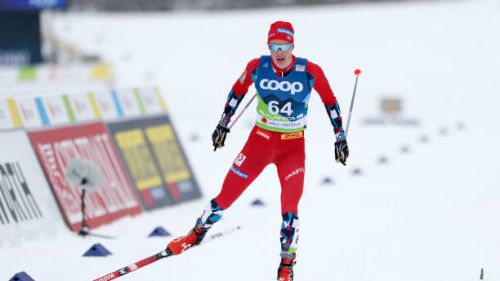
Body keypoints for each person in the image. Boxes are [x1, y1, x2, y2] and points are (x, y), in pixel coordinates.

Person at [166, 21, 349, 281]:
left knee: (290, 208)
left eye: (284, 46)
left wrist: (339, 137)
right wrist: (223, 125)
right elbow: (236, 92)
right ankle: (196, 233)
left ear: (292, 45)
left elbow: (330, 101)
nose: (279, 52)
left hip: (292, 148)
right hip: (259, 144)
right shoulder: (257, 67)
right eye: (274, 46)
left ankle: (286, 265)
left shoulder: (310, 71)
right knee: (226, 197)